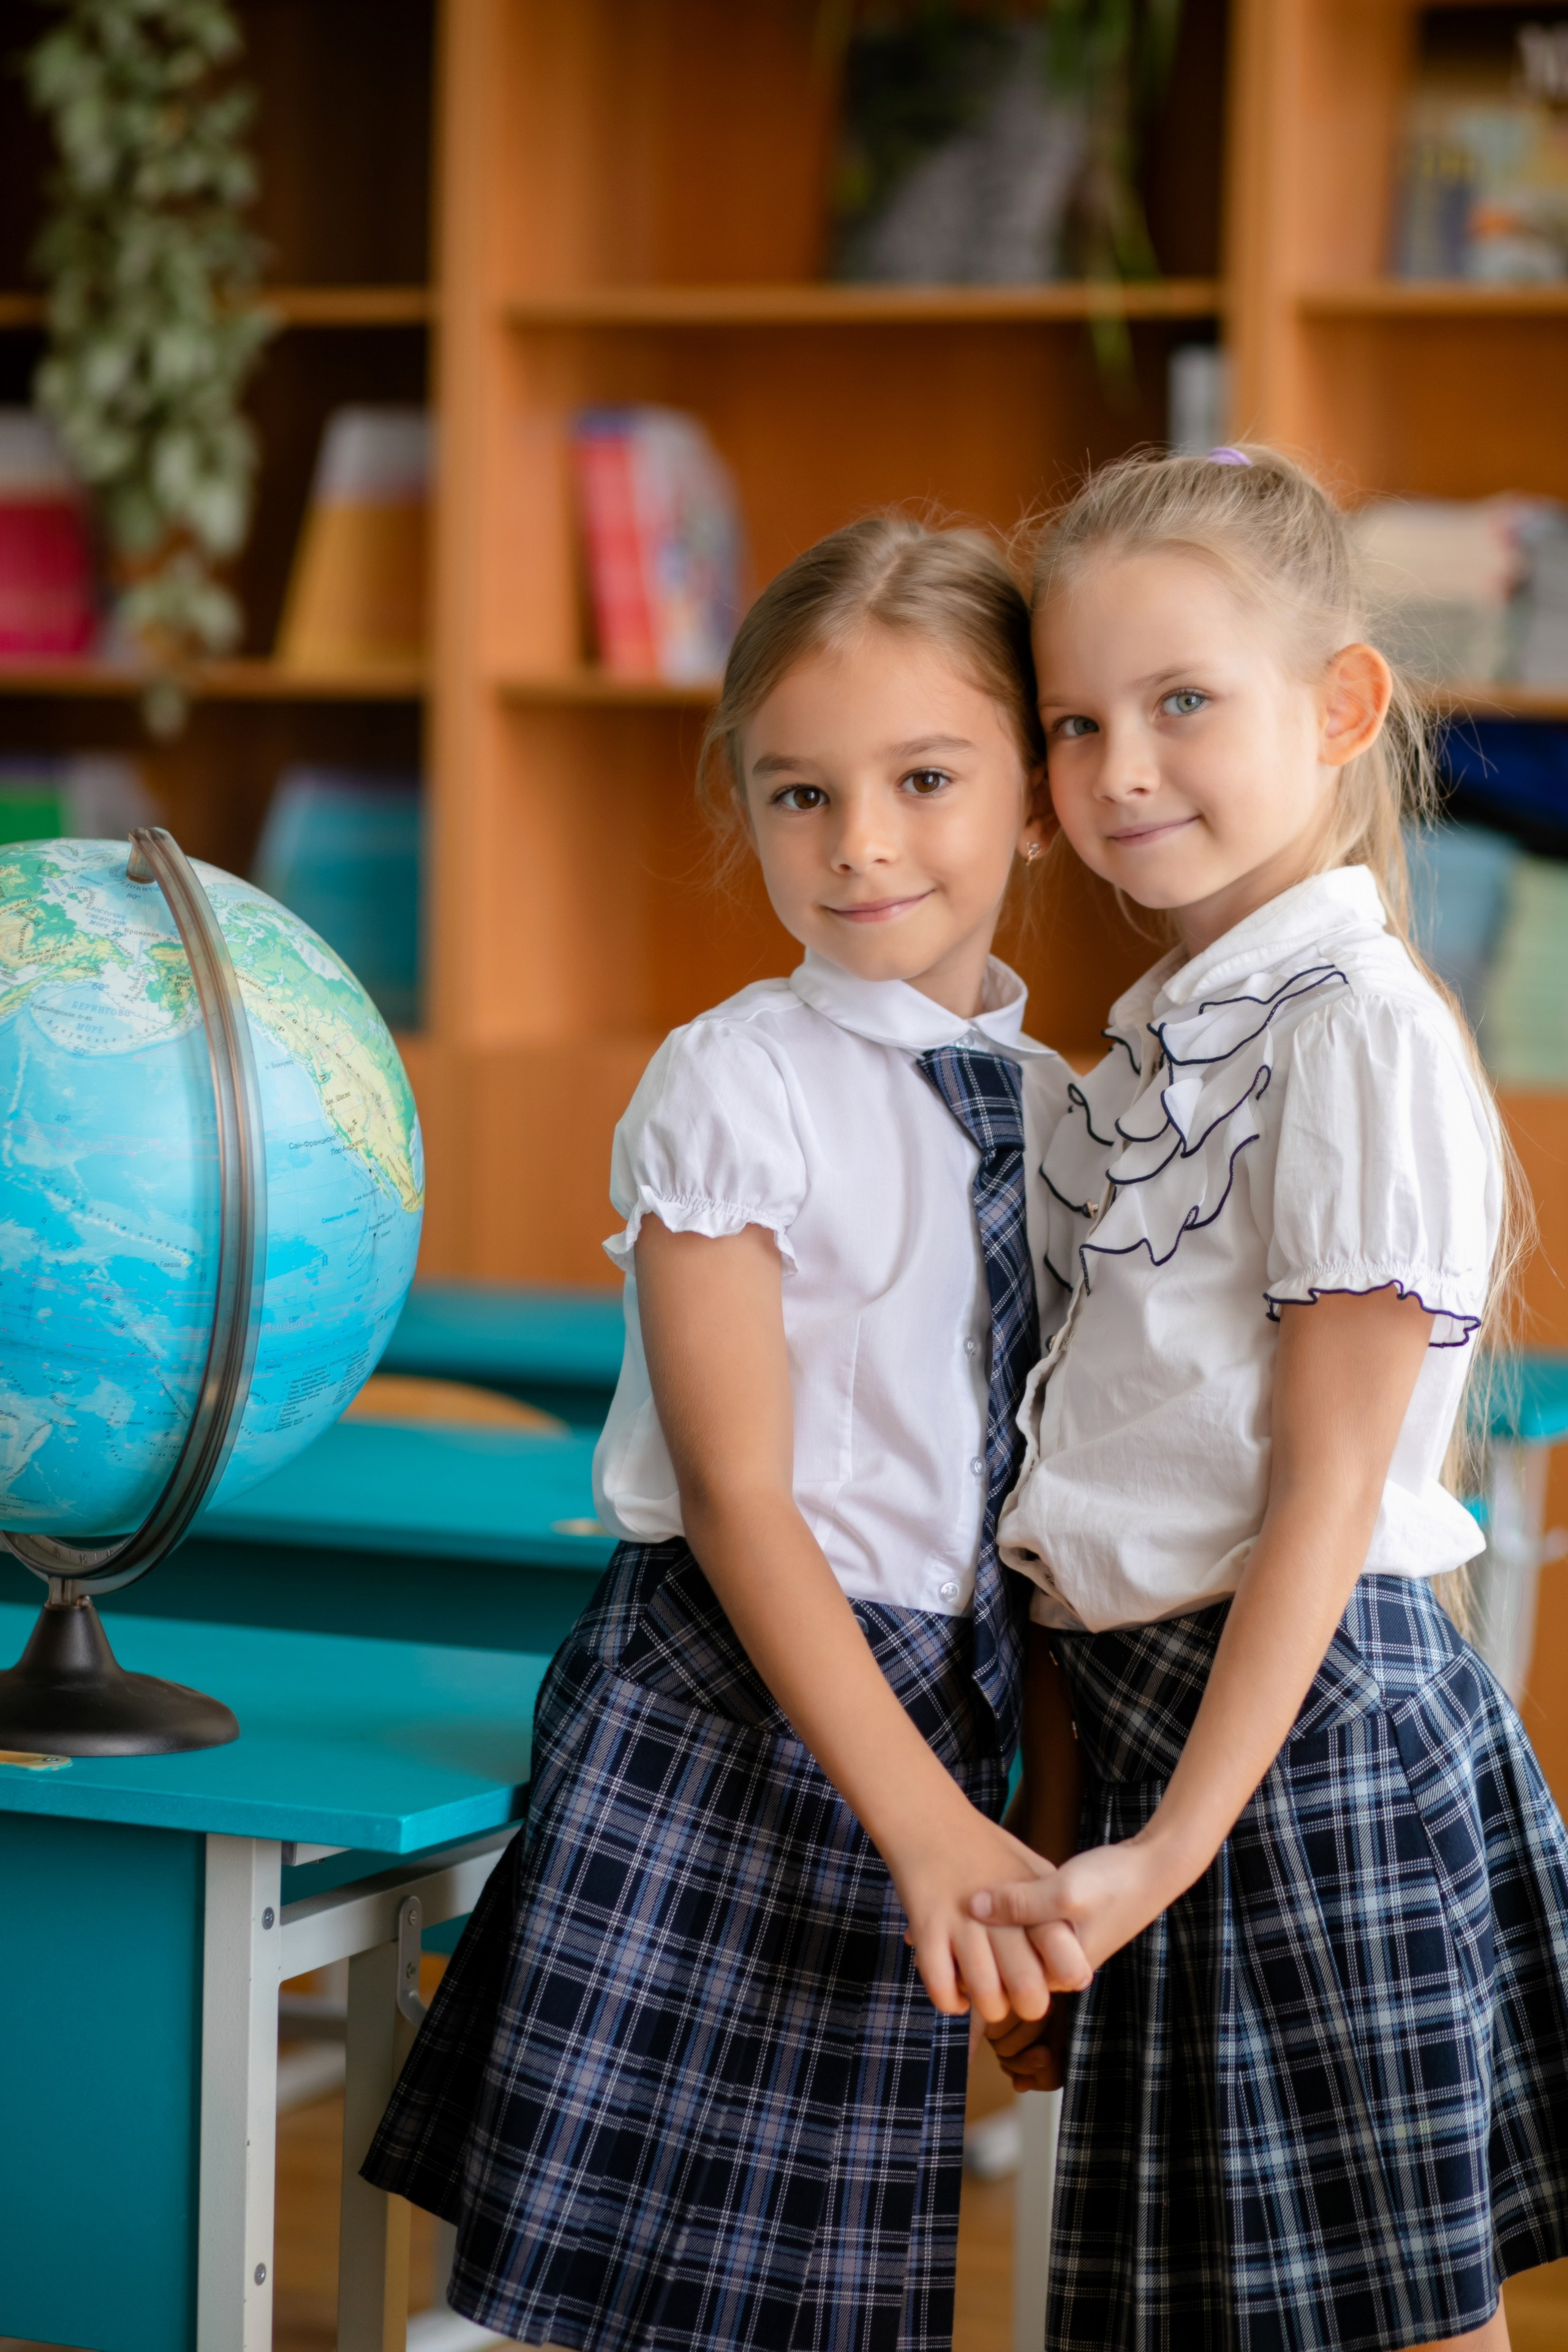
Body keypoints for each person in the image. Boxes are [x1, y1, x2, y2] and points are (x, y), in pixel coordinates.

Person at [363, 514, 1090, 2352]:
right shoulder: (736, 1082)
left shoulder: (1072, 1111)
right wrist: (928, 1821)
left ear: (1034, 795)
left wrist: (1017, 1809)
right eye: (797, 793)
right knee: (589, 2288)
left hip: (940, 1708)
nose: (858, 843)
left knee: (820, 2285)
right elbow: (739, 1493)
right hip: (722, 1708)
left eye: (924, 778)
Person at [973, 446, 1568, 2352]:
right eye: (1073, 722)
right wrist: (1078, 1822)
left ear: (1338, 708)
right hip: (1175, 1749)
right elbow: (1089, 1488)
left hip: (1301, 1753)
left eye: (1181, 704)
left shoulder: (1359, 1031)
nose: (1119, 767)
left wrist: (1165, 1845)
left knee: (1400, 2325)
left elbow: (1320, 1494)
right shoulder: (1160, 1042)